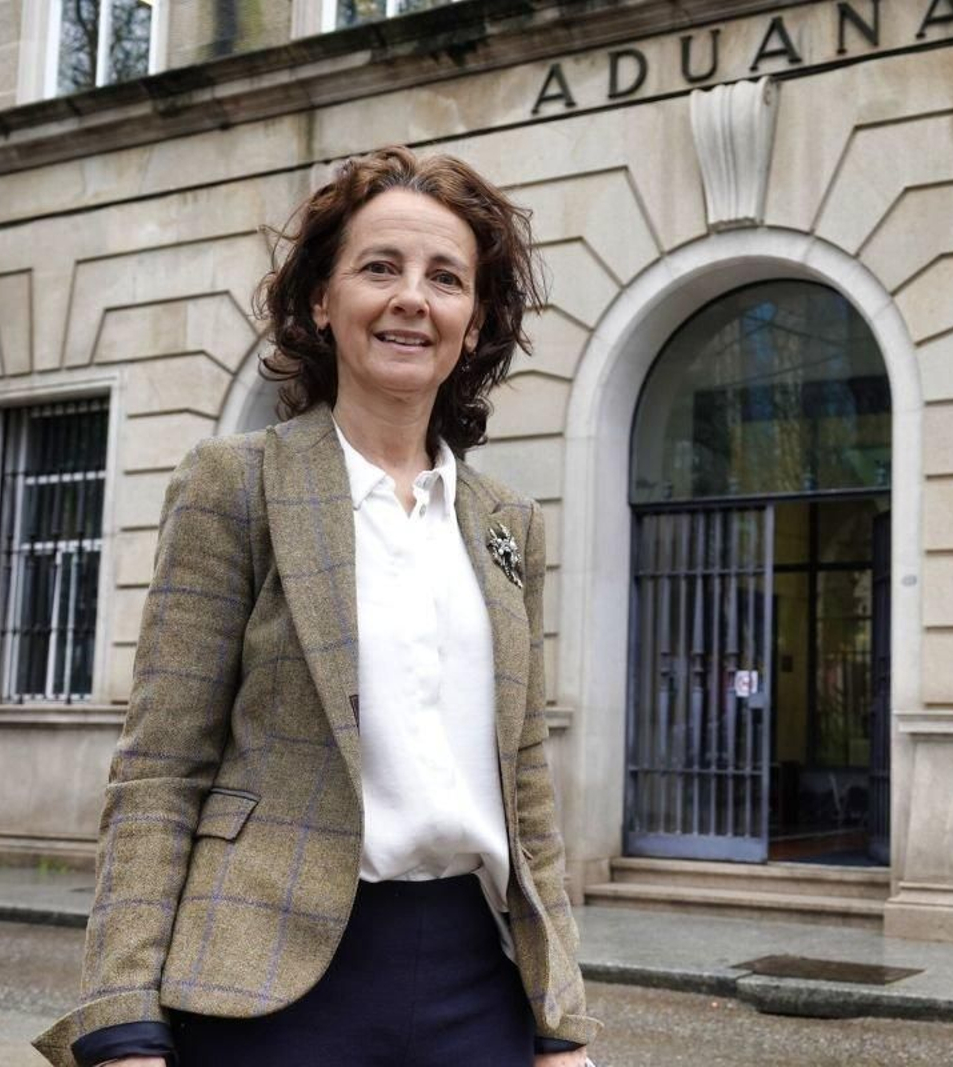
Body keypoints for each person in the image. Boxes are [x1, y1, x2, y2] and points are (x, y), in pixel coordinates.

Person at [33, 146, 598, 1067]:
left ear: (475, 319)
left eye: (445, 278)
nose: (413, 297)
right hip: (266, 983)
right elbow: (161, 768)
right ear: (322, 303)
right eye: (381, 267)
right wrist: (120, 1021)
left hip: (475, 982)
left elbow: (526, 785)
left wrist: (559, 1018)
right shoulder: (236, 484)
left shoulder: (506, 525)